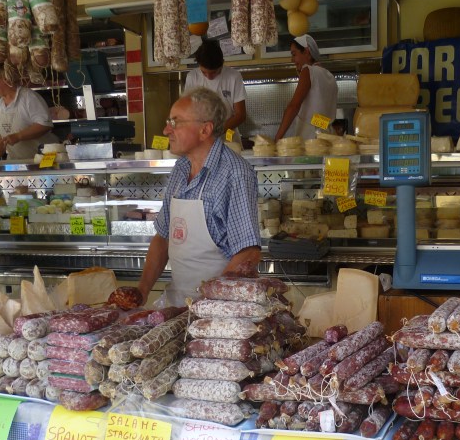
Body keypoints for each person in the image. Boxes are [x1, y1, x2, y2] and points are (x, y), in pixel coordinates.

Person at [137, 87, 261, 307]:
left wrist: (207, 308)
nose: (166, 130)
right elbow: (163, 237)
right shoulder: (181, 168)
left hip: (218, 312)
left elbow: (248, 253)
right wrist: (141, 292)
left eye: (175, 122)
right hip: (177, 305)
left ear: (205, 130)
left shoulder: (234, 173)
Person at [0, 65, 58, 161]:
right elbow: (2, 135)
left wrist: (18, 136)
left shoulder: (28, 97)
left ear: (6, 79)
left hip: (42, 161)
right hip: (16, 162)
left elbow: (44, 125)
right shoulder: (1, 104)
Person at [274, 35, 338, 142]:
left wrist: (277, 139)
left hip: (310, 140)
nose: (292, 60)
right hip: (327, 137)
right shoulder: (329, 76)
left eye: (294, 54)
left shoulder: (308, 71)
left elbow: (294, 106)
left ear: (307, 52)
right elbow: (319, 117)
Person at [184, 40, 247, 141]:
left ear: (222, 63)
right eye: (204, 72)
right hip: (201, 138)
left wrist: (215, 132)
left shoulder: (234, 77)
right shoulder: (192, 77)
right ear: (199, 65)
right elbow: (188, 111)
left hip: (228, 138)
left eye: (214, 72)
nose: (209, 77)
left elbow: (240, 115)